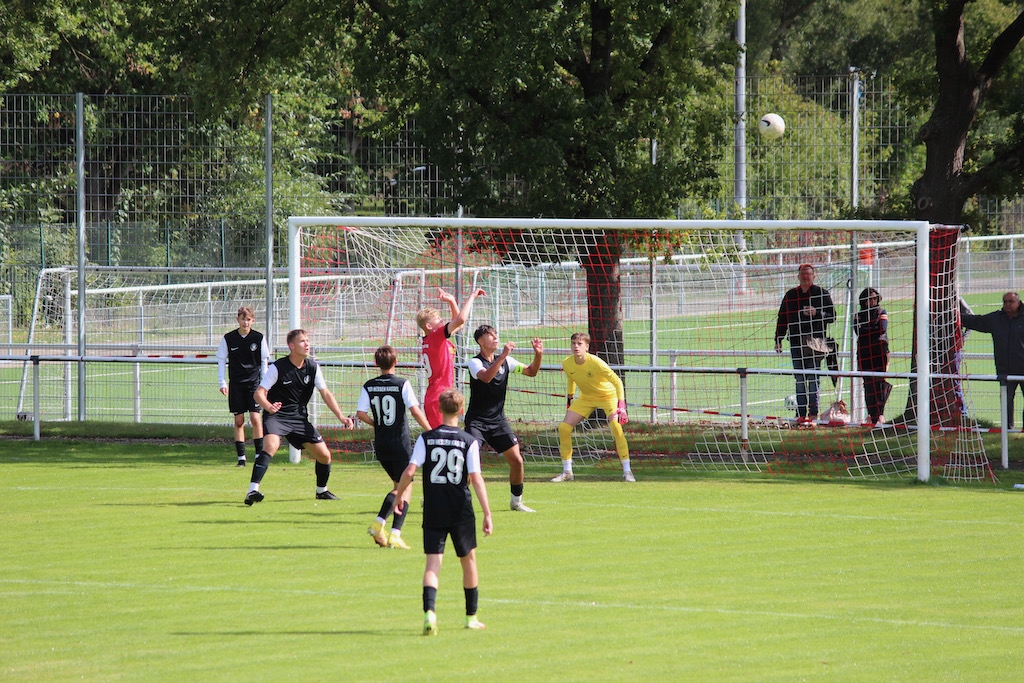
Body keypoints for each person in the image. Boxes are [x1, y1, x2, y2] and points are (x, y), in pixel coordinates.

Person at [393, 389, 492, 635]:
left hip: (434, 508)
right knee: (468, 561)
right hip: (461, 509)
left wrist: (399, 495)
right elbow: (476, 478)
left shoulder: (426, 439)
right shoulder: (469, 441)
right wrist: (487, 513)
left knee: (432, 564)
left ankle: (430, 613)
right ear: (461, 410)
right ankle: (471, 617)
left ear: (438, 409)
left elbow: (409, 471)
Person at [244, 329, 354, 505]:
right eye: (302, 341)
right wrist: (269, 407)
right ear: (292, 346)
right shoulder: (278, 367)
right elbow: (259, 394)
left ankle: (321, 491)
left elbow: (325, 393)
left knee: (324, 456)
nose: (307, 344)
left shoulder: (313, 367)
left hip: (299, 419)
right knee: (271, 445)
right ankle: (252, 491)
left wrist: (341, 417)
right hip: (277, 416)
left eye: (308, 340)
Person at [356, 345, 432, 549]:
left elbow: (361, 414)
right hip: (400, 444)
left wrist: (376, 424)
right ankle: (385, 527)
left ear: (376, 363)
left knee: (399, 485)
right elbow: (415, 411)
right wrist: (430, 430)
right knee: (404, 487)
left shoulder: (369, 385)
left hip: (381, 445)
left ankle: (387, 532)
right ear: (396, 362)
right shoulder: (402, 384)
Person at [465, 325, 543, 512]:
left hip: (498, 422)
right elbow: (486, 377)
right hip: (476, 422)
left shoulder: (507, 361)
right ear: (480, 341)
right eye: (490, 335)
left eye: (495, 334)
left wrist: (538, 355)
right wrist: (503, 356)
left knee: (517, 460)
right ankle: (454, 499)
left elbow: (531, 371)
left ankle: (516, 502)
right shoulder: (474, 362)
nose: (495, 337)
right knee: (470, 462)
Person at [552, 332, 633, 483]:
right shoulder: (567, 363)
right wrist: (570, 399)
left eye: (579, 344)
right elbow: (571, 378)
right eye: (573, 343)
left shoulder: (596, 362)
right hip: (586, 398)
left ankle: (627, 471)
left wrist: (621, 405)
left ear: (587, 347)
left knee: (616, 427)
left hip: (608, 397)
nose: (576, 346)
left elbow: (617, 381)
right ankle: (567, 472)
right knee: (564, 428)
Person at [774, 264, 836, 425]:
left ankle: (813, 414)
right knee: (800, 379)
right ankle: (801, 414)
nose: (805, 276)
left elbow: (832, 316)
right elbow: (782, 318)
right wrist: (778, 339)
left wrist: (817, 313)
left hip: (815, 343)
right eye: (803, 274)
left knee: (813, 377)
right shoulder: (790, 295)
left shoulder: (822, 293)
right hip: (796, 342)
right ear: (798, 276)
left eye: (808, 274)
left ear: (813, 276)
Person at [416, 287, 486, 428]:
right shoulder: (436, 337)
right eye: (438, 319)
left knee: (448, 436)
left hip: (440, 395)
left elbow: (458, 325)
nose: (442, 320)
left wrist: (452, 301)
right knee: (442, 437)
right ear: (429, 326)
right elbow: (460, 320)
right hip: (438, 398)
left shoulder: (433, 339)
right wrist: (472, 296)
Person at [961, 291, 1024, 429]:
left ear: (1018, 303)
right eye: (1005, 302)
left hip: (1023, 370)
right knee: (1006, 401)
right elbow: (977, 321)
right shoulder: (996, 319)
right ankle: (1007, 430)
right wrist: (956, 316)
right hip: (1005, 370)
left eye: (1011, 301)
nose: (1007, 304)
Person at [216, 306, 269, 466]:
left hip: (254, 384)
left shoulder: (258, 338)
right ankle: (241, 458)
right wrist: (222, 382)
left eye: (248, 319)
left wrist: (265, 384)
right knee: (239, 420)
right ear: (237, 320)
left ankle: (259, 455)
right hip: (236, 384)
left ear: (253, 321)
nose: (245, 322)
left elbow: (264, 362)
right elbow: (221, 360)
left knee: (255, 418)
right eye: (242, 319)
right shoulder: (229, 338)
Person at [854, 287, 891, 426]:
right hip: (864, 353)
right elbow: (859, 331)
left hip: (880, 352)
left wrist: (867, 329)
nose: (873, 301)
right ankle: (871, 415)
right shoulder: (858, 315)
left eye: (875, 298)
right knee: (868, 384)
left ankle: (880, 414)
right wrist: (872, 329)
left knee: (880, 383)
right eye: (870, 299)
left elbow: (881, 328)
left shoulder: (882, 312)